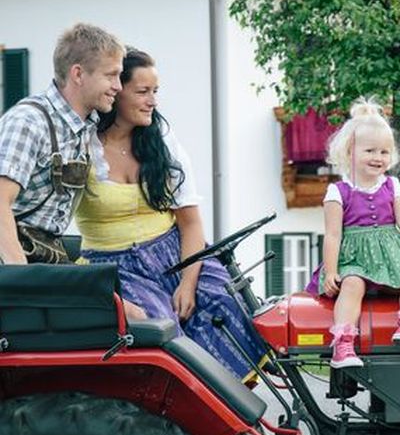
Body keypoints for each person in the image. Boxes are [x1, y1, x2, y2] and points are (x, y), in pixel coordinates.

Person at [74, 47, 265, 381]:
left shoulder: (160, 139)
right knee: (161, 330)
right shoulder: (83, 146)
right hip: (115, 266)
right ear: (117, 94)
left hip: (174, 253)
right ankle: (179, 422)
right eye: (143, 92)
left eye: (155, 92)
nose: (153, 101)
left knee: (227, 305)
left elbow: (190, 222)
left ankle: (232, 418)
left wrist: (188, 283)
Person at [306, 99, 400, 368]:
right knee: (353, 284)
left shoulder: (392, 185)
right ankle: (344, 344)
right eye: (370, 150)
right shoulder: (338, 191)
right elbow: (333, 235)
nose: (378, 158)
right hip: (355, 258)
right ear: (350, 150)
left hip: (390, 255)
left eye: (384, 152)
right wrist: (332, 270)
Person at [0, 23, 124, 265]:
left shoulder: (87, 126)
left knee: (119, 301)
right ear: (78, 74)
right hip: (11, 261)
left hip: (47, 253)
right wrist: (21, 278)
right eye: (110, 75)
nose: (118, 86)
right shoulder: (28, 121)